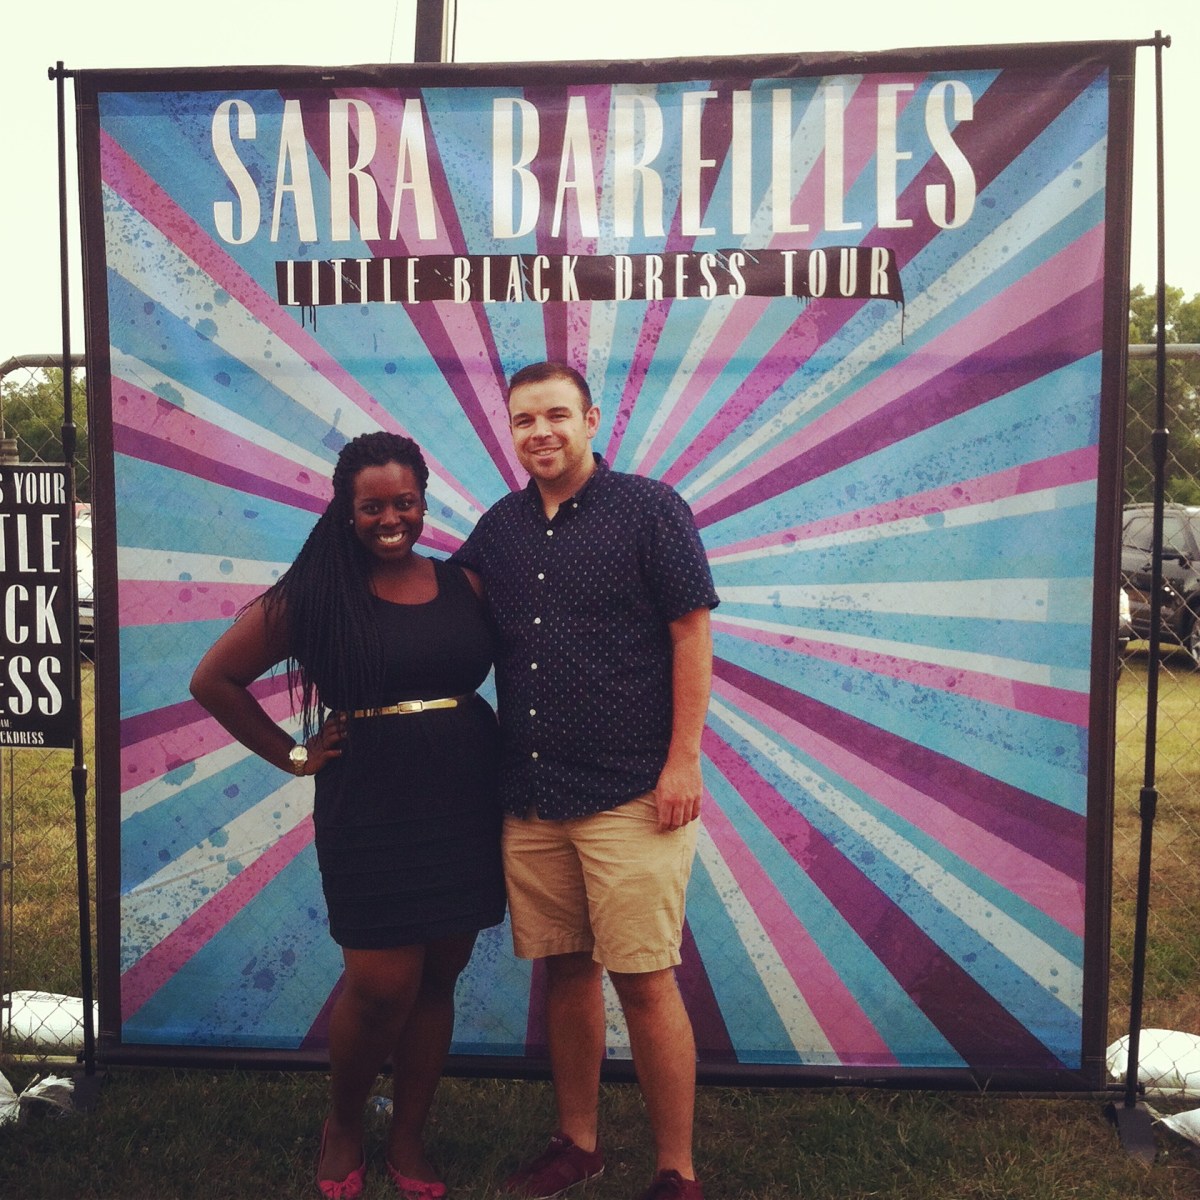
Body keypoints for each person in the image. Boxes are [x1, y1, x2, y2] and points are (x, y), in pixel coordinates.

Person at [190, 431, 505, 1200]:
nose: (391, 519)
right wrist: (295, 755)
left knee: (439, 974)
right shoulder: (317, 593)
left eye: (405, 502)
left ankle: (409, 1135)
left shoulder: (464, 583)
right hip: (370, 806)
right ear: (347, 510)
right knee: (381, 984)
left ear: (423, 501)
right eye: (373, 507)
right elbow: (214, 678)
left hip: (464, 799)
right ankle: (343, 1123)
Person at [452, 362, 719, 1200]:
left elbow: (691, 633)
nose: (541, 432)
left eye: (556, 415)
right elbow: (435, 607)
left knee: (643, 980)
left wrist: (684, 759)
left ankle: (676, 1171)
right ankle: (578, 1143)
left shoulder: (650, 509)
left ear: (591, 419)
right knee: (565, 972)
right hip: (533, 796)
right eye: (524, 419)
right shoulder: (498, 529)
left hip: (631, 791)